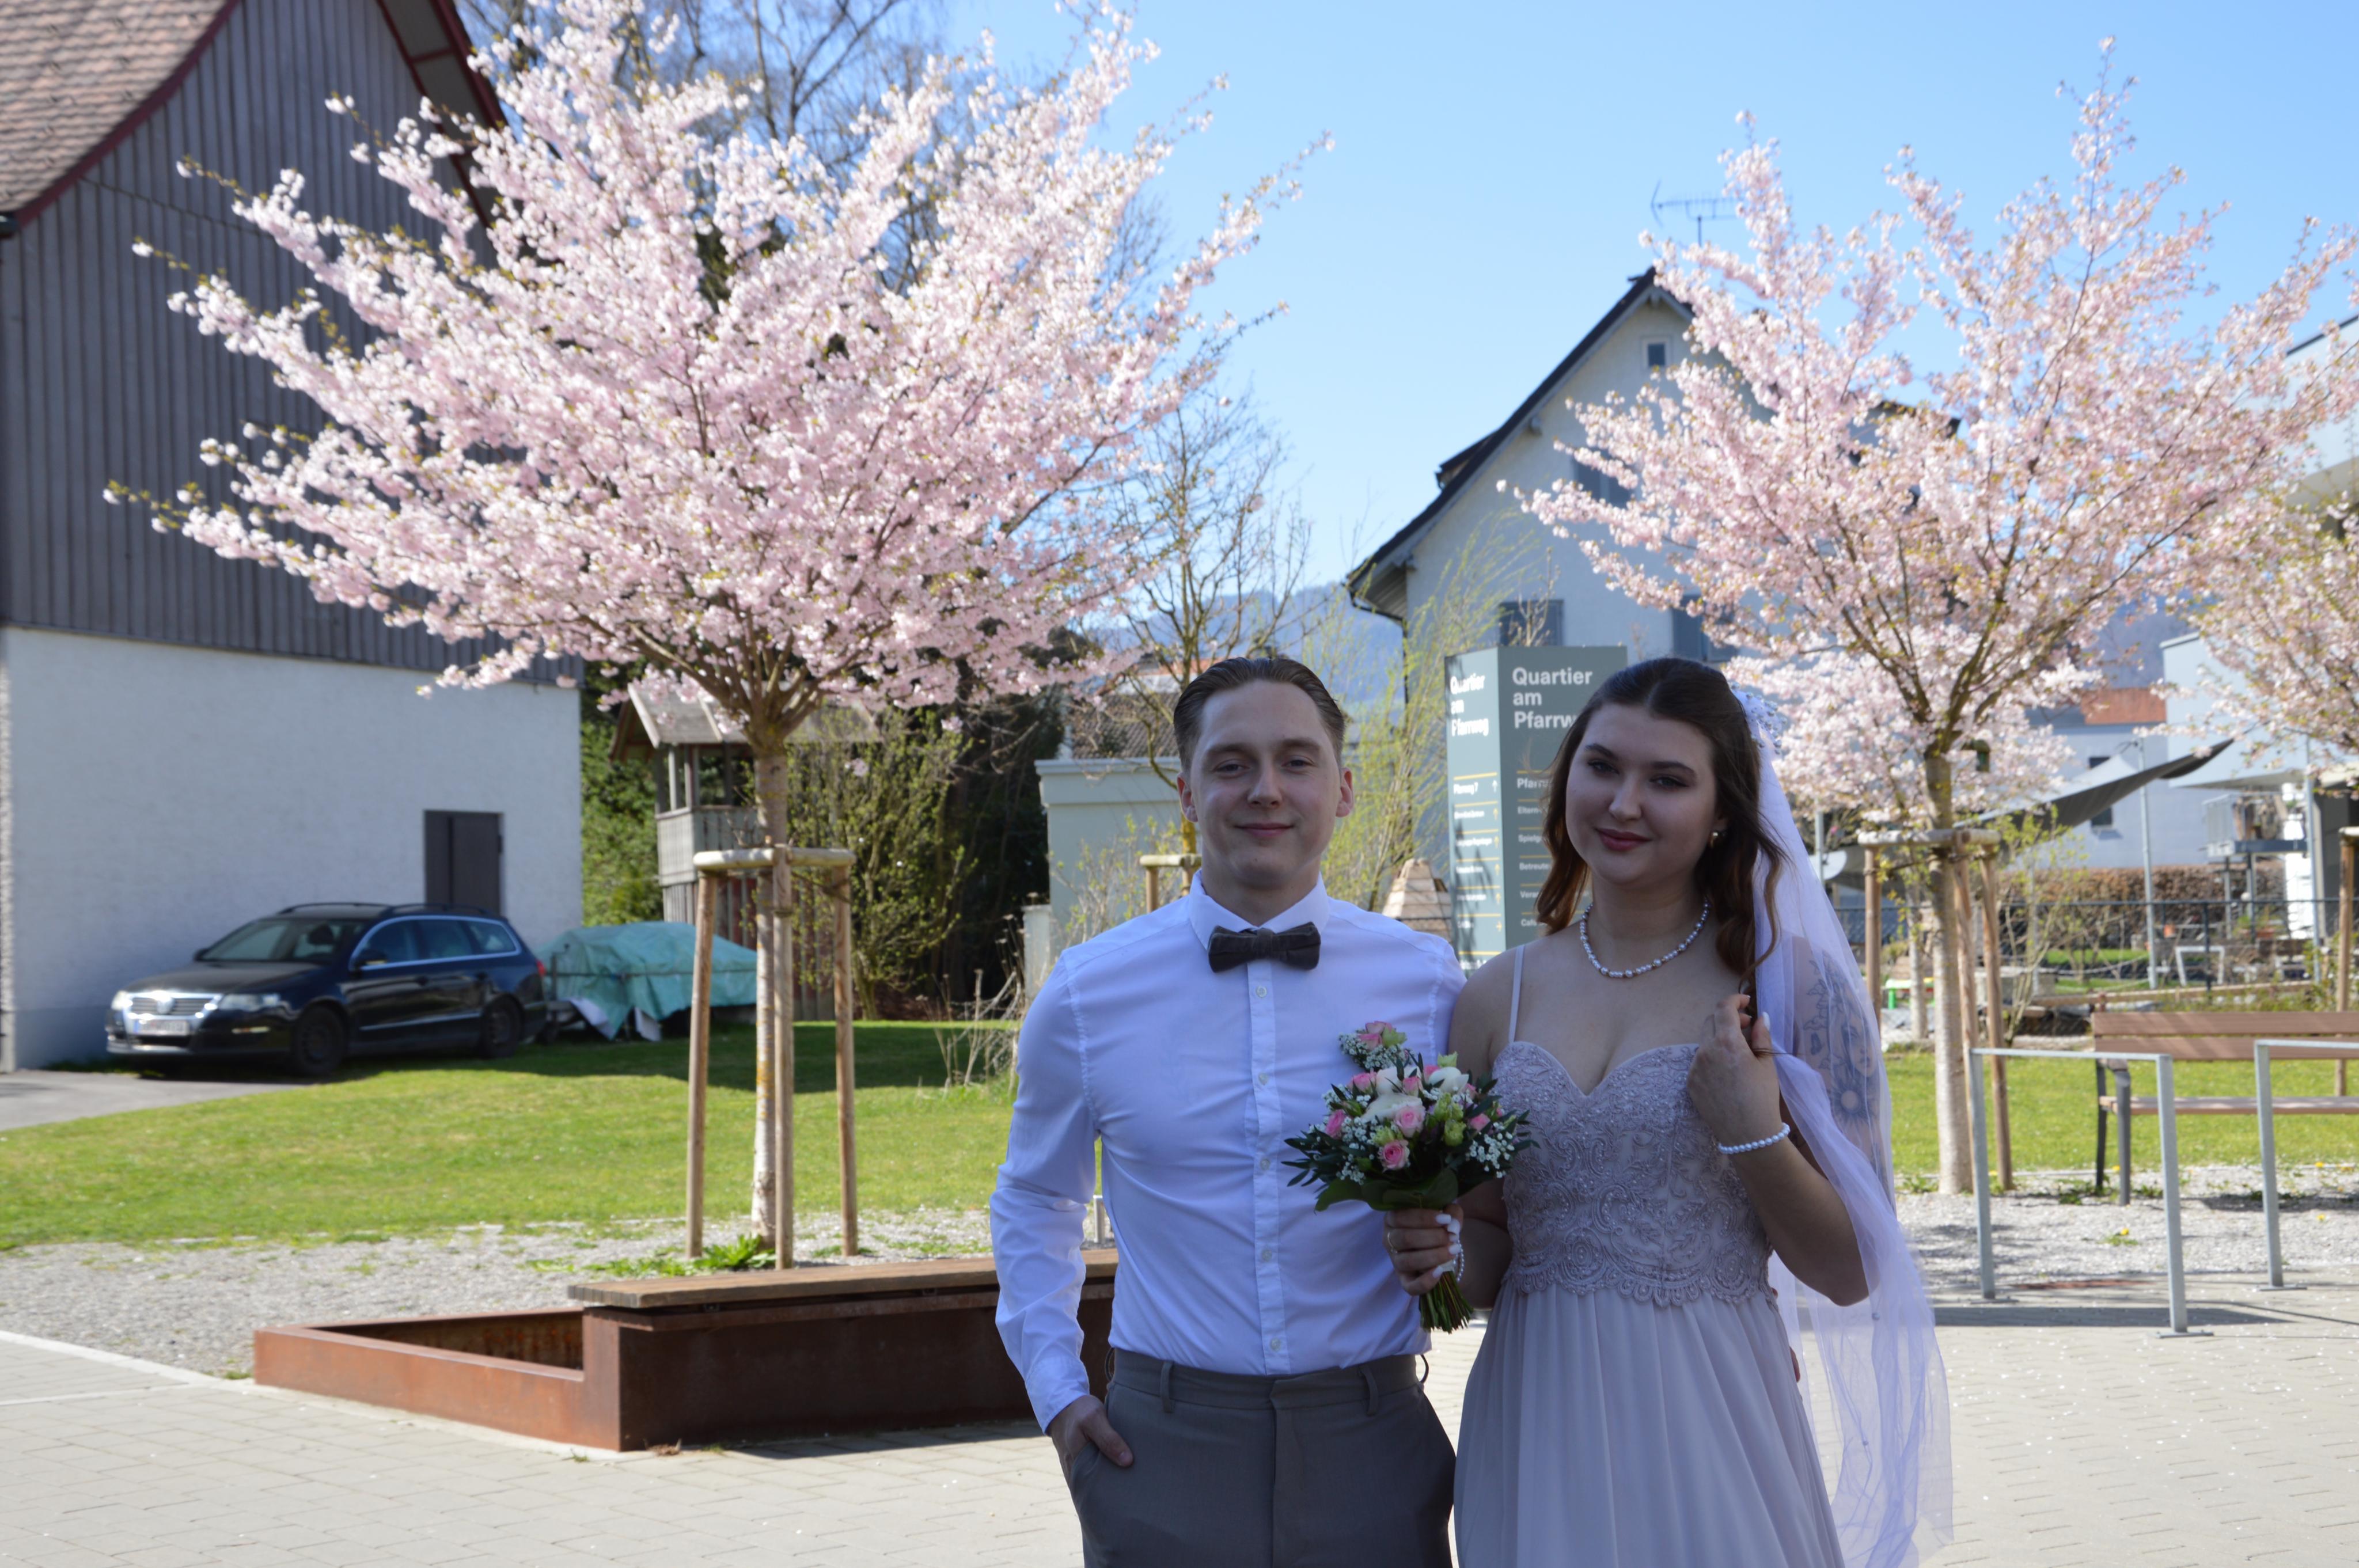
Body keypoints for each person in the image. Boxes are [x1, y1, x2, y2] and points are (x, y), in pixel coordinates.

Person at [1385, 657, 1951, 1568]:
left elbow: (1852, 1272)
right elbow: (1494, 1242)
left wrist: (1751, 1130)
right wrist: (1442, 1251)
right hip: (1536, 1417)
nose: (1624, 804)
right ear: (1567, 776)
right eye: (1603, 767)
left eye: (1668, 780)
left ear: (1723, 809)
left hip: (1710, 1410)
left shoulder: (1789, 987)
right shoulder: (1496, 997)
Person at [992, 655, 1464, 1568]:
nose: (1266, 790)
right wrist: (1057, 1392)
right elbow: (1036, 1200)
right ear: (1187, 790)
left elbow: (1485, 1194)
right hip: (1161, 1451)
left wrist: (1445, 1244)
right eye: (1232, 764)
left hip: (1373, 1443)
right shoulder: (1088, 994)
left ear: (1344, 788)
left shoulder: (1428, 983)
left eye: (1297, 761)